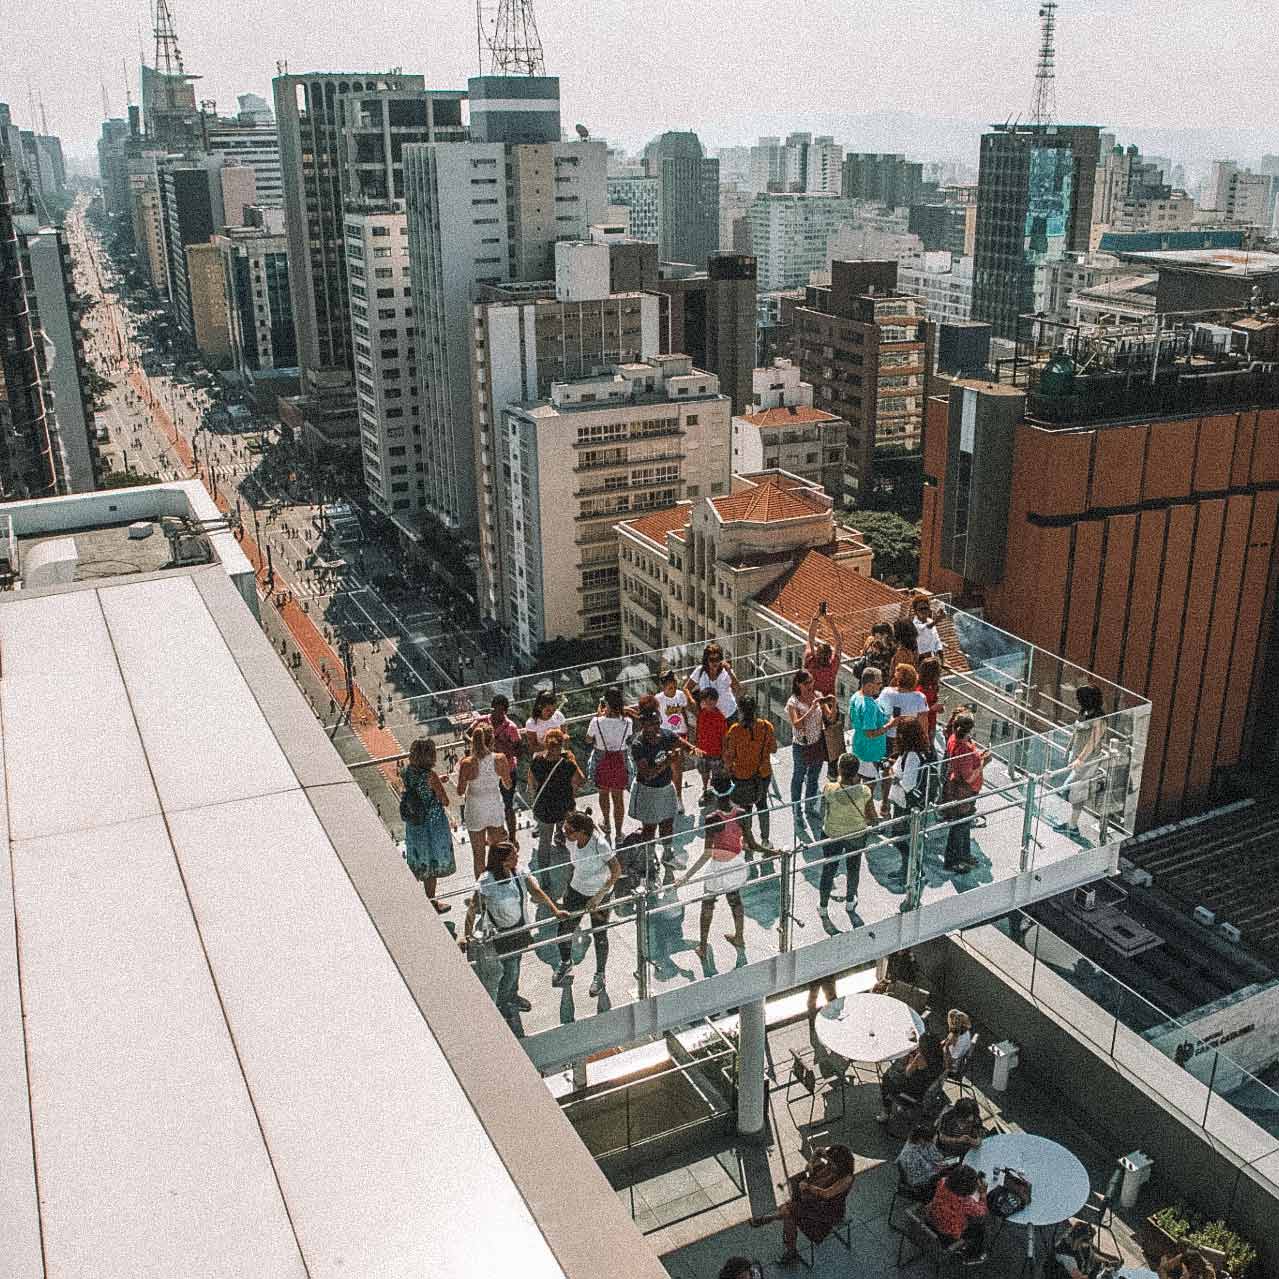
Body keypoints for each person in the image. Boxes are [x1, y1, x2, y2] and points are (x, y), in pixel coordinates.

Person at [461, 842, 565, 1030]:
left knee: (515, 966)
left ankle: (511, 996)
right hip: (501, 933)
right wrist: (466, 936)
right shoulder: (487, 881)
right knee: (509, 971)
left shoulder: (519, 872)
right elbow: (473, 908)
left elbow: (537, 892)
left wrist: (555, 910)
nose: (517, 858)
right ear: (502, 862)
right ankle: (504, 1002)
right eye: (513, 856)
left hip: (519, 929)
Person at [676, 774, 749, 958]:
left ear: (714, 795)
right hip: (735, 864)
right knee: (735, 901)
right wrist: (774, 852)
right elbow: (751, 844)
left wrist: (686, 877)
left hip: (718, 867)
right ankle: (739, 937)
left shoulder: (712, 818)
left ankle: (702, 946)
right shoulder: (741, 813)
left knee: (708, 905)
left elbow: (707, 853)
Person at [751, 1145, 855, 1268]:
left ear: (841, 1165)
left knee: (788, 1211)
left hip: (828, 1211)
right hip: (816, 1202)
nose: (829, 1164)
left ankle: (770, 1220)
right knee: (789, 1213)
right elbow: (818, 1150)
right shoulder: (833, 1162)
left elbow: (827, 1194)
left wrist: (808, 1187)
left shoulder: (846, 1178)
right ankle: (789, 1249)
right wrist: (811, 1163)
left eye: (832, 1164)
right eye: (830, 1161)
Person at [552, 811, 621, 995]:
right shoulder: (570, 839)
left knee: (599, 935)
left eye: (568, 830)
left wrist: (599, 896)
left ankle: (600, 974)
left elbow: (616, 871)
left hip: (599, 894)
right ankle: (566, 962)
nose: (563, 833)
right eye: (564, 828)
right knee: (564, 930)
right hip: (576, 890)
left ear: (581, 832)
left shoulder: (600, 845)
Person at [630, 698, 696, 869]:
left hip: (666, 787)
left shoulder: (665, 735)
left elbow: (684, 745)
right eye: (652, 724)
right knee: (649, 828)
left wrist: (697, 751)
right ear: (643, 724)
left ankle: (667, 853)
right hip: (648, 791)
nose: (656, 727)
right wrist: (668, 761)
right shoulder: (638, 744)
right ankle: (649, 859)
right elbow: (647, 774)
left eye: (658, 722)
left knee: (667, 822)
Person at [818, 752, 878, 922]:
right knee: (853, 868)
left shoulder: (829, 788)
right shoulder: (865, 791)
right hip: (856, 834)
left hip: (832, 834)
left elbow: (825, 809)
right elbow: (871, 815)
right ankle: (850, 901)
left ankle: (823, 906)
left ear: (839, 769)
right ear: (857, 771)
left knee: (829, 869)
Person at [399, 738, 455, 914]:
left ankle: (420, 898)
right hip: (432, 823)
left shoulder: (407, 772)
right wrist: (438, 785)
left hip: (415, 822)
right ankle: (431, 902)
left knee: (419, 857)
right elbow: (444, 801)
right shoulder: (430, 776)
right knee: (432, 862)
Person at [457, 722, 514, 879]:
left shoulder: (467, 763)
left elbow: (460, 791)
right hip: (494, 806)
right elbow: (508, 785)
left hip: (475, 808)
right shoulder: (500, 759)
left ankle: (482, 891)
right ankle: (500, 881)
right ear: (492, 741)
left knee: (478, 855)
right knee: (499, 849)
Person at [722, 695, 777, 852]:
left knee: (745, 809)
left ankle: (747, 840)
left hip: (742, 776)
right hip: (763, 774)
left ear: (740, 711)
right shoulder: (766, 727)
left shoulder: (735, 730)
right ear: (756, 709)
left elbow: (729, 756)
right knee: (762, 804)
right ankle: (765, 840)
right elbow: (773, 749)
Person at [528, 727, 584, 873]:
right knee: (571, 838)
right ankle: (573, 871)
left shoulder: (537, 761)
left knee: (544, 843)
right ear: (561, 745)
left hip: (544, 807)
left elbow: (532, 784)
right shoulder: (567, 764)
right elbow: (580, 780)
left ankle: (544, 875)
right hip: (565, 806)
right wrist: (573, 761)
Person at [887, 717, 936, 878]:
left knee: (899, 837)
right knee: (906, 837)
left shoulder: (912, 756)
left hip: (905, 804)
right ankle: (910, 869)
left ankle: (912, 870)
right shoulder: (919, 751)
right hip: (910, 802)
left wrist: (892, 774)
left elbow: (907, 784)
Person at [1055, 684, 1105, 836]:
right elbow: (1076, 732)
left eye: (1079, 698)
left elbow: (1092, 743)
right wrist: (1068, 749)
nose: (1077, 701)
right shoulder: (1084, 712)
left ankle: (1073, 825)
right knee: (1076, 790)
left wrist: (1080, 759)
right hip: (1076, 756)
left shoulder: (1100, 719)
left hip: (1088, 760)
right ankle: (1072, 825)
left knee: (1070, 788)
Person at [851, 667, 901, 819]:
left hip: (859, 746)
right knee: (868, 788)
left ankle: (857, 811)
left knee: (857, 781)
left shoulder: (856, 696)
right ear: (869, 684)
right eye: (879, 683)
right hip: (870, 751)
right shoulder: (869, 706)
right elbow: (870, 732)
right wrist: (890, 725)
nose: (881, 686)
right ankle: (867, 817)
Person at [943, 712, 990, 872]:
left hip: (958, 788)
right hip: (964, 791)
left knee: (963, 824)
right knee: (959, 826)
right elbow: (969, 777)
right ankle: (953, 861)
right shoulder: (964, 748)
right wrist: (983, 762)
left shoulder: (954, 740)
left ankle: (964, 855)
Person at [587, 686, 633, 844]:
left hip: (601, 758)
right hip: (620, 759)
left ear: (605, 703)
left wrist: (599, 716)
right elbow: (628, 739)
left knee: (603, 793)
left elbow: (588, 739)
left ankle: (606, 822)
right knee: (618, 798)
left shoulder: (596, 722)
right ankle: (619, 833)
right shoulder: (628, 722)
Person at [786, 669, 826, 836]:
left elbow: (827, 716)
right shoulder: (793, 703)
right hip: (801, 745)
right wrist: (811, 709)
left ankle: (810, 806)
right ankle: (797, 811)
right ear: (798, 684)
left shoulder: (817, 694)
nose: (810, 686)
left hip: (816, 743)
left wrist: (829, 704)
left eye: (811, 682)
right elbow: (796, 724)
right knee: (798, 777)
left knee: (814, 777)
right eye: (806, 683)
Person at [925, 1163, 989, 1260]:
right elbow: (982, 1211)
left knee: (964, 1215)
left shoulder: (942, 1182)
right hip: (948, 1235)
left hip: (932, 1220)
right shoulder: (965, 1202)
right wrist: (983, 1194)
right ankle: (974, 1253)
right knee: (980, 1225)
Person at [877, 1032, 946, 1122]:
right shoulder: (940, 1058)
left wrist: (912, 1058)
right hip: (925, 1088)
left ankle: (886, 1112)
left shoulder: (921, 1057)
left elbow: (907, 1072)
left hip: (914, 1093)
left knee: (886, 1078)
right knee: (894, 1073)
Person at [483, 693, 523, 844]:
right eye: (495, 710)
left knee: (507, 804)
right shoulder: (483, 722)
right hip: (488, 770)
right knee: (490, 803)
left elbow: (519, 751)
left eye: (500, 711)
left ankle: (512, 837)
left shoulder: (511, 728)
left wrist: (505, 745)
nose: (496, 714)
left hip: (507, 769)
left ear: (505, 711)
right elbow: (467, 735)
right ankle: (495, 836)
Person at [655, 670, 691, 807]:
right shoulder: (658, 699)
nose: (673, 689)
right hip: (666, 735)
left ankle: (678, 797)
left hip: (679, 734)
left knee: (677, 766)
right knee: (665, 766)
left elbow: (684, 713)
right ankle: (666, 796)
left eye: (675, 685)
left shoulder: (681, 695)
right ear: (663, 687)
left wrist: (688, 729)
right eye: (670, 687)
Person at [878, 664, 930, 757]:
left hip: (889, 736)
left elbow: (879, 712)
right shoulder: (920, 698)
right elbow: (923, 723)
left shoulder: (887, 693)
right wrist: (925, 741)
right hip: (910, 739)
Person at [685, 642, 740, 724]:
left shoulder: (726, 671)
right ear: (706, 660)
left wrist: (730, 672)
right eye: (711, 660)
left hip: (729, 715)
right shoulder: (700, 671)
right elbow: (686, 688)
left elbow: (737, 688)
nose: (715, 662)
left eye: (717, 659)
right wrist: (692, 701)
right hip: (709, 717)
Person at [694, 685, 729, 803]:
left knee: (716, 775)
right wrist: (696, 746)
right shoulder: (702, 714)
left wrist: (724, 753)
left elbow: (724, 737)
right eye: (704, 701)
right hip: (703, 751)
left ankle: (717, 794)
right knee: (704, 772)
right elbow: (698, 731)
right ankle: (705, 790)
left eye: (710, 701)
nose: (707, 703)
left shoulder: (720, 717)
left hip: (716, 752)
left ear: (715, 701)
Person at [896, 1123, 952, 1195]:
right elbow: (924, 1171)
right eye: (930, 1140)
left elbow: (937, 1156)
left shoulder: (920, 1143)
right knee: (947, 1180)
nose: (932, 1142)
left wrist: (939, 1163)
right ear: (921, 1139)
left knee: (948, 1172)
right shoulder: (911, 1153)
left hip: (924, 1171)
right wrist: (938, 1169)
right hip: (917, 1181)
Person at [804, 602, 844, 697]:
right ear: (830, 655)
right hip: (829, 702)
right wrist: (831, 622)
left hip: (812, 702)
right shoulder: (832, 666)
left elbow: (811, 638)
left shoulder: (811, 662)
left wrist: (816, 616)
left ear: (816, 653)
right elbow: (838, 642)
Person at [523, 689, 566, 754]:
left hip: (559, 753)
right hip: (542, 756)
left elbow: (564, 734)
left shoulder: (558, 716)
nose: (551, 713)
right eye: (548, 710)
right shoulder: (531, 723)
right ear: (540, 708)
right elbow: (532, 747)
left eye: (554, 709)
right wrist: (550, 746)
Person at [917, 654, 944, 745]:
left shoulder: (932, 686)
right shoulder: (920, 690)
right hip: (923, 726)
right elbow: (916, 712)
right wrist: (933, 708)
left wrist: (938, 708)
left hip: (931, 722)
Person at [912, 595, 944, 660]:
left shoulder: (930, 621)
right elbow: (927, 627)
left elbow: (937, 641)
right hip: (921, 660)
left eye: (926, 608)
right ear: (915, 611)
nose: (924, 611)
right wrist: (937, 620)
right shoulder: (914, 625)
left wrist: (942, 659)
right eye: (921, 609)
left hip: (933, 658)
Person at [942, 1008, 973, 1074]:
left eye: (955, 1022)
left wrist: (947, 1047)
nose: (952, 1022)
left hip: (951, 1064)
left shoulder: (960, 1039)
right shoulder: (966, 1031)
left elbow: (953, 1059)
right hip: (950, 1053)